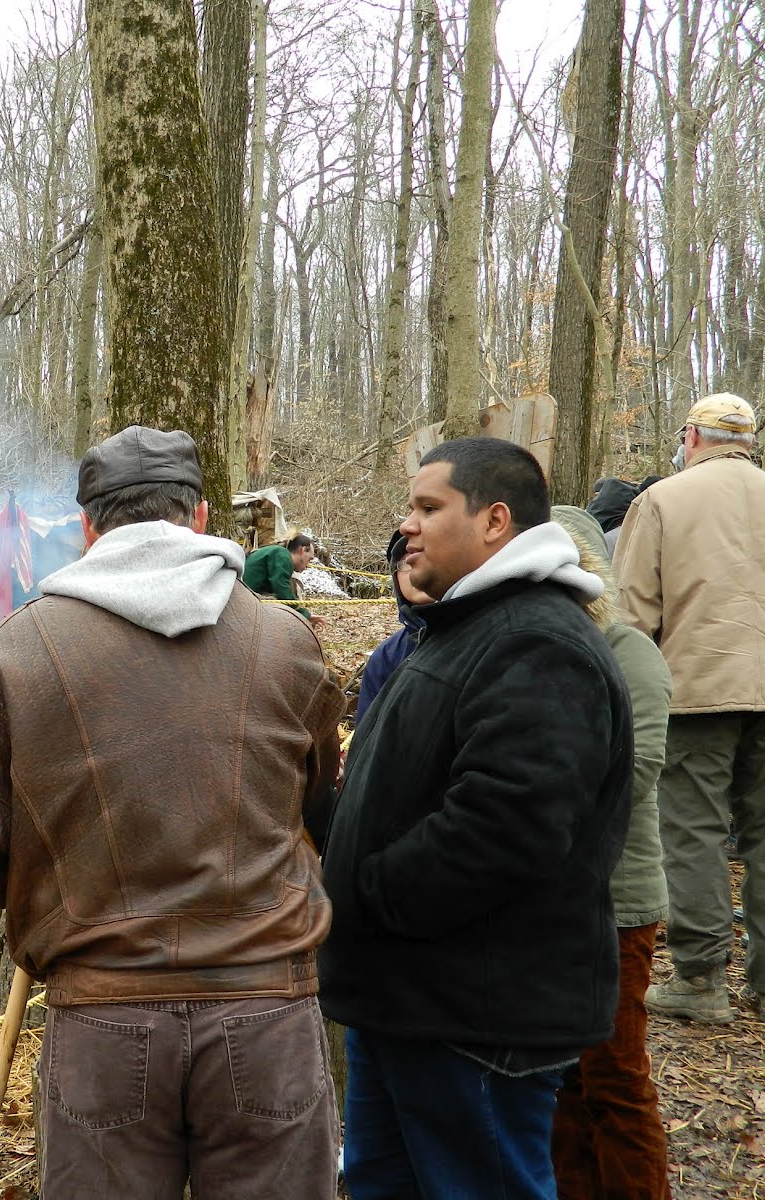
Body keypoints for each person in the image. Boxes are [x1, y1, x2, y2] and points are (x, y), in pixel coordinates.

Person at [0, 425, 344, 1200]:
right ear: (203, 517)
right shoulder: (288, 642)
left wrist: (42, 887)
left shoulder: (19, 649)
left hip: (104, 1017)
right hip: (266, 1013)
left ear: (87, 528)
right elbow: (319, 801)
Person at [320, 438, 634, 1200]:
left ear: (495, 520)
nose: (408, 527)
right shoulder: (465, 629)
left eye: (429, 508)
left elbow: (508, 825)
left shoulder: (534, 641)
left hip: (477, 1019)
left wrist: (370, 893)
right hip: (409, 1003)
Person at [614, 392, 765, 1024]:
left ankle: (701, 978)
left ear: (693, 437)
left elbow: (628, 616)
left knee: (693, 832)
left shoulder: (663, 500)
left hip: (696, 693)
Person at [550, 505, 674, 1200]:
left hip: (616, 904)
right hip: (549, 904)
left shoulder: (633, 655)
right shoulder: (538, 646)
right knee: (561, 1076)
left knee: (615, 1076)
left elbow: (638, 771)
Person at [354, 532, 432, 723]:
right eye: (405, 563)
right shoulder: (387, 656)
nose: (415, 569)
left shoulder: (490, 635)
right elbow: (366, 737)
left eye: (423, 556)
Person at [243, 533, 317, 619]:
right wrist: (304, 614)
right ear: (302, 551)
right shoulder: (282, 555)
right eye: (310, 559)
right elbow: (282, 590)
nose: (309, 564)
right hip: (246, 599)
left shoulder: (278, 553)